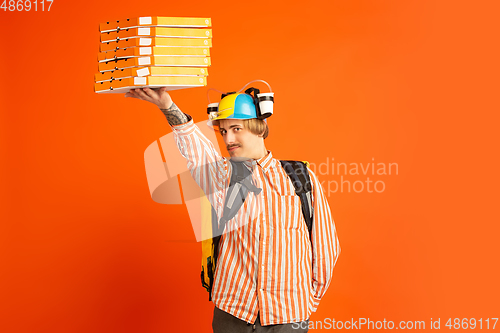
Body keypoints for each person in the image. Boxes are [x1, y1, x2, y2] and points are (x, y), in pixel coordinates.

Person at [126, 87, 340, 333]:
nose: (228, 140)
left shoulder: (301, 178)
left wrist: (306, 301)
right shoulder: (221, 177)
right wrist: (167, 105)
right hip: (233, 313)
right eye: (224, 131)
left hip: (289, 316)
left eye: (236, 129)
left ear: (259, 127)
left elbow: (325, 246)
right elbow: (195, 148)